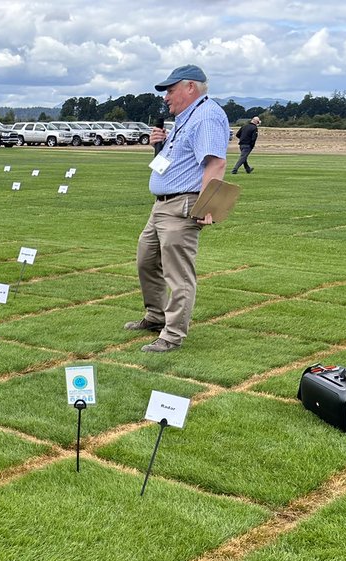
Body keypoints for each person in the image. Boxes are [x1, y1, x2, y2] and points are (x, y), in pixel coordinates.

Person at [128, 64, 230, 352]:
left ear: (190, 87)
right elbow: (174, 162)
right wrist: (157, 146)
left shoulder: (207, 116)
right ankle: (155, 316)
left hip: (183, 205)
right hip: (161, 205)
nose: (166, 97)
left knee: (178, 273)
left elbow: (215, 163)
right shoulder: (185, 118)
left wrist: (206, 206)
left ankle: (172, 335)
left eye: (170, 90)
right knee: (146, 260)